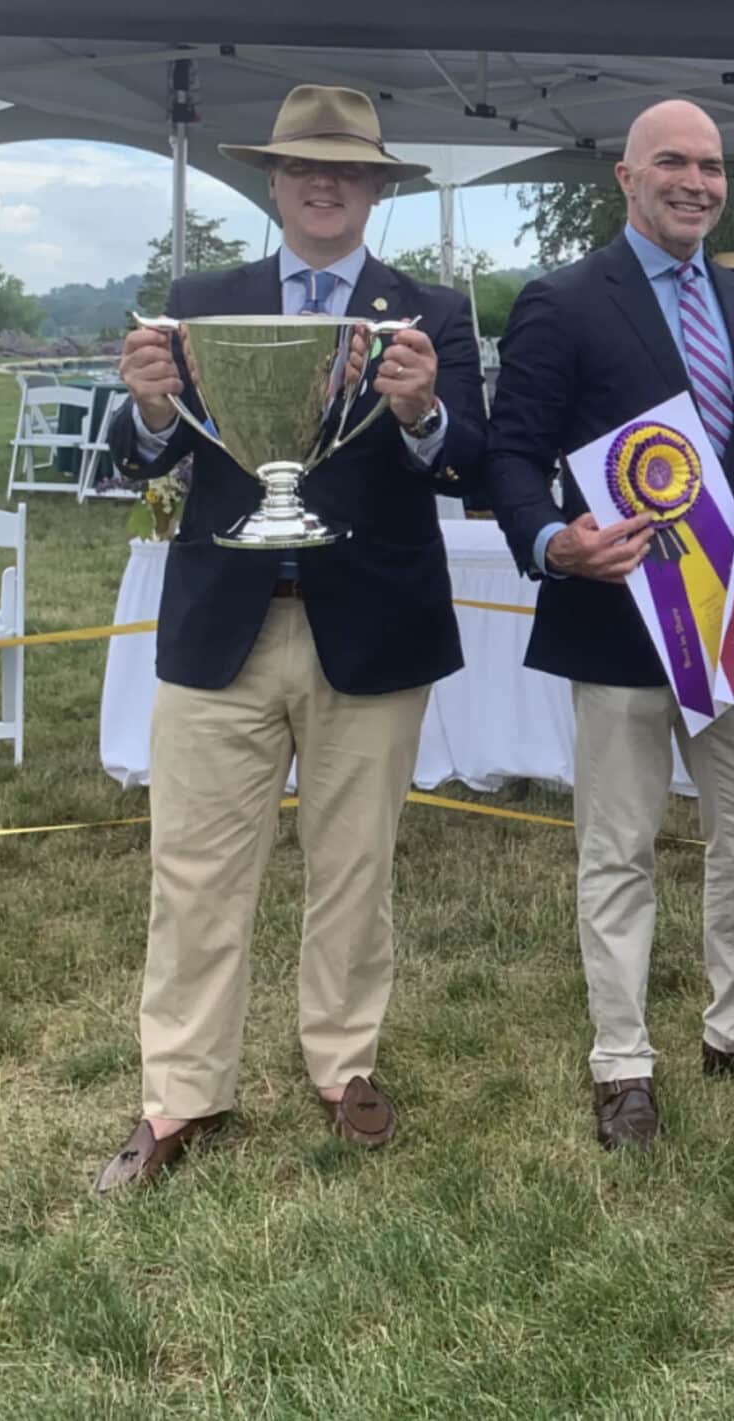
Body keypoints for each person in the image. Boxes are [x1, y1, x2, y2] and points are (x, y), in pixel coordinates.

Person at [91, 84, 486, 1192]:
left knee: (355, 867)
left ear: (376, 189)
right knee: (195, 871)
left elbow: (468, 461)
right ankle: (179, 1092)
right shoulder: (201, 299)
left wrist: (422, 414)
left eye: (350, 171)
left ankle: (341, 1063)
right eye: (307, 168)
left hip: (373, 628)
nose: (326, 184)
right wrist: (154, 409)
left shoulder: (429, 312)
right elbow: (146, 455)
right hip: (223, 625)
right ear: (270, 182)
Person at [485, 99, 734, 1153]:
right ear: (626, 178)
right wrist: (554, 540)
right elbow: (510, 454)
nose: (695, 179)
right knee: (619, 847)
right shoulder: (561, 301)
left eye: (712, 164)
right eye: (671, 162)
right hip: (618, 620)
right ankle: (622, 1063)